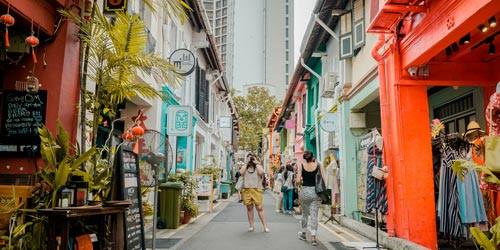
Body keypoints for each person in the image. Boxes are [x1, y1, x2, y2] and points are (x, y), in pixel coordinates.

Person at [296, 150, 325, 246]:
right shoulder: (318, 165)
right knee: (314, 215)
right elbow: (323, 179)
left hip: (304, 192)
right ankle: (313, 238)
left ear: (304, 157)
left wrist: (300, 178)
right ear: (312, 157)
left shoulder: (301, 166)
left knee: (304, 214)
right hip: (316, 193)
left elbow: (297, 180)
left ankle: (304, 234)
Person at [240, 153, 271, 232]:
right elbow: (241, 173)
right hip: (246, 189)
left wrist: (256, 163)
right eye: (249, 158)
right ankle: (251, 226)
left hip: (257, 189)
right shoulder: (245, 166)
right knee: (249, 208)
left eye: (252, 158)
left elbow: (261, 172)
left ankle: (265, 226)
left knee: (259, 208)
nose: (251, 160)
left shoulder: (258, 166)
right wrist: (246, 163)